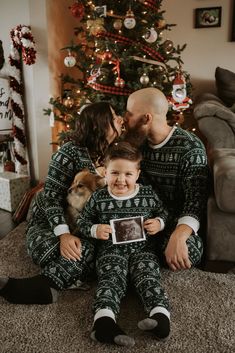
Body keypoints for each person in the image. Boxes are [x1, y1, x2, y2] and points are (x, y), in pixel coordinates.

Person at [0, 101, 123, 304]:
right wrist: (63, 234)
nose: (120, 119)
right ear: (97, 124)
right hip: (49, 224)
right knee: (49, 250)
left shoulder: (111, 154)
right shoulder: (69, 152)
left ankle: (45, 284)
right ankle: (65, 277)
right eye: (113, 116)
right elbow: (50, 197)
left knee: (102, 252)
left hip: (86, 227)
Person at [77, 141, 170, 347]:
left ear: (137, 174)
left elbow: (164, 213)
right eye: (115, 173)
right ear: (105, 173)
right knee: (110, 280)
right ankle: (104, 323)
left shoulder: (147, 195)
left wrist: (159, 223)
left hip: (142, 249)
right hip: (111, 250)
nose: (121, 179)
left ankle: (160, 317)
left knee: (149, 277)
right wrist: (95, 229)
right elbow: (82, 221)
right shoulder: (99, 198)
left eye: (128, 174)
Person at [124, 87, 210, 271]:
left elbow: (196, 202)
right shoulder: (137, 145)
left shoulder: (190, 147)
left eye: (129, 114)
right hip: (144, 220)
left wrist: (178, 236)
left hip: (176, 224)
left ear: (146, 118)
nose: (125, 119)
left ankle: (142, 258)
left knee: (189, 250)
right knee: (106, 239)